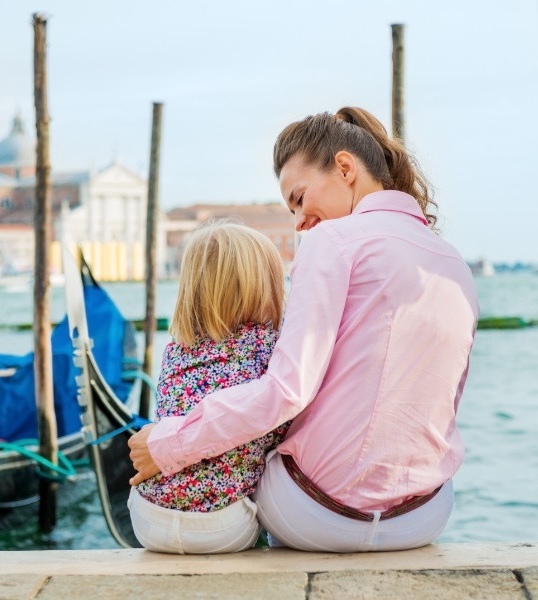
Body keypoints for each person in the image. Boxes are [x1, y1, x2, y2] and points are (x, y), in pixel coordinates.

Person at [128, 107, 479, 553]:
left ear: (345, 168)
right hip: (424, 517)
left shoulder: (332, 241)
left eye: (298, 197)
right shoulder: (453, 261)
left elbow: (286, 390)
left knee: (252, 460)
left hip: (321, 517)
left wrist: (167, 443)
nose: (298, 220)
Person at [128, 222, 292, 554]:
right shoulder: (269, 347)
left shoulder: (176, 349)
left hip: (147, 519)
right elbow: (281, 424)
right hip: (222, 527)